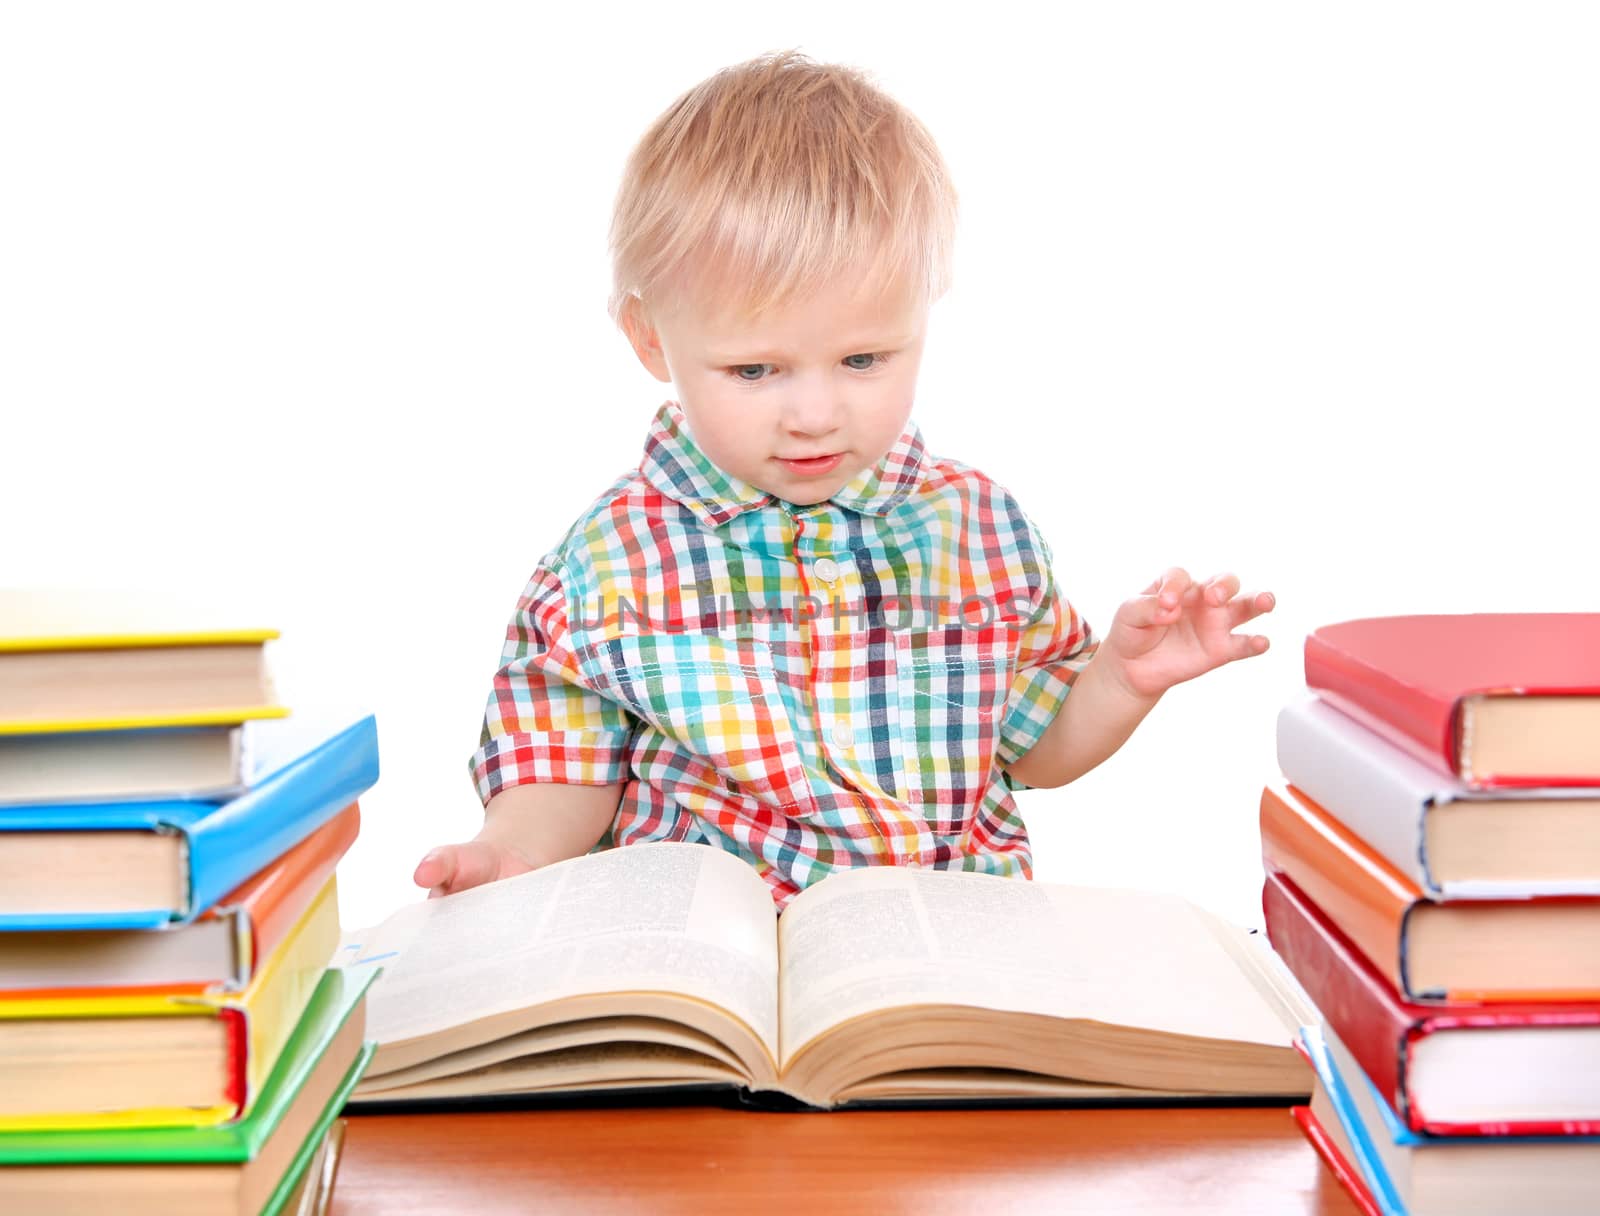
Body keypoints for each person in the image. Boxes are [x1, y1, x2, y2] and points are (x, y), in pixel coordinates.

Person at [413, 49, 1273, 908]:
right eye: (755, 371)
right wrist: (508, 853)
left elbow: (1036, 749)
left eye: (863, 358)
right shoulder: (608, 564)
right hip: (708, 958)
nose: (816, 413)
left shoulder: (973, 529)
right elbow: (563, 770)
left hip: (941, 942)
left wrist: (1119, 682)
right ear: (650, 341)